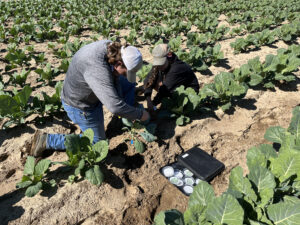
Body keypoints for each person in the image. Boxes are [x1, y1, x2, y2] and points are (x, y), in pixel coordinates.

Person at [30, 40, 150, 157]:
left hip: (88, 88)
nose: (125, 75)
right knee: (97, 144)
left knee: (128, 84)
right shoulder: (97, 69)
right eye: (125, 72)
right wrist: (140, 115)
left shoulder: (112, 49)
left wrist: (126, 108)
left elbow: (116, 80)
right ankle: (47, 140)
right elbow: (114, 107)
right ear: (118, 64)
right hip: (81, 105)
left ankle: (125, 116)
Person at [143, 44, 199, 115]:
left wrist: (153, 104)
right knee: (153, 77)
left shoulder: (177, 68)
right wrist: (148, 100)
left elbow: (165, 90)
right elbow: (148, 79)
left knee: (167, 103)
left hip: (186, 94)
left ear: (169, 56)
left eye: (161, 63)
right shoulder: (161, 65)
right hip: (171, 85)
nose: (159, 66)